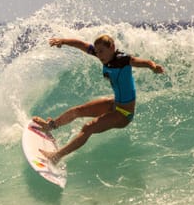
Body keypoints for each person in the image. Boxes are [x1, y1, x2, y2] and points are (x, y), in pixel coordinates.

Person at [32, 34, 164, 163]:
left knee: (88, 128)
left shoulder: (123, 59)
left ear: (112, 47)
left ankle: (56, 156)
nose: (99, 55)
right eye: (97, 52)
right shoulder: (103, 56)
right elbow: (82, 45)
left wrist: (153, 67)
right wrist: (63, 41)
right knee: (78, 110)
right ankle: (50, 126)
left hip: (124, 114)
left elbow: (143, 62)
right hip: (114, 104)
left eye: (102, 51)